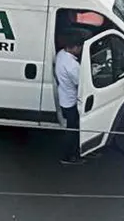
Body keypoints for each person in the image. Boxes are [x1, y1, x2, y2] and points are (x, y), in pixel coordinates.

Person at [55, 31, 84, 165]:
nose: (80, 50)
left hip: (63, 97)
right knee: (72, 130)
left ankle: (72, 153)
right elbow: (81, 83)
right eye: (79, 47)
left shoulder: (61, 54)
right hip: (71, 100)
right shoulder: (73, 65)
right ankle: (68, 156)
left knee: (71, 129)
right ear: (75, 47)